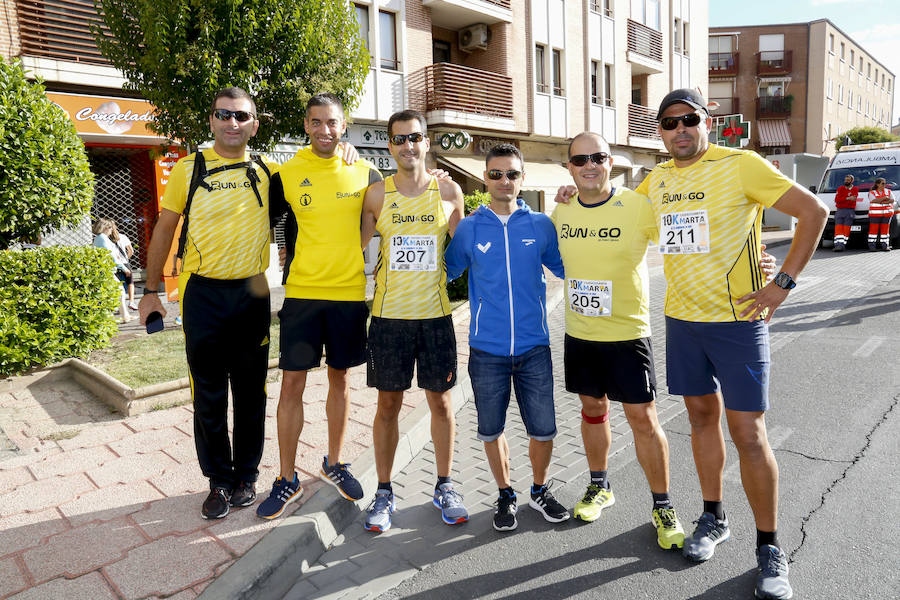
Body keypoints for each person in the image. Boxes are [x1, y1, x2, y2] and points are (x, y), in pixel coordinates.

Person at [635, 88, 826, 600]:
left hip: (738, 323)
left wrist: (780, 283)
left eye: (689, 120)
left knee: (748, 433)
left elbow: (812, 213)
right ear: (660, 131)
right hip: (681, 321)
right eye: (669, 123)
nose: (680, 130)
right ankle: (713, 517)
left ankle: (769, 546)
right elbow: (616, 221)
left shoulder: (741, 164)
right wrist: (568, 195)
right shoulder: (655, 181)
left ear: (707, 123)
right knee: (699, 418)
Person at [138, 87, 278, 520]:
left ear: (254, 124)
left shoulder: (271, 170)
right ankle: (218, 480)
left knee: (251, 392)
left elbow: (318, 194)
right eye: (223, 114)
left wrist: (346, 150)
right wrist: (150, 291)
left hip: (252, 292)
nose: (232, 122)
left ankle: (246, 477)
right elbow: (164, 231)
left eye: (241, 116)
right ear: (211, 120)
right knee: (209, 393)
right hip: (203, 294)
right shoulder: (188, 169)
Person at [551, 132, 685, 550]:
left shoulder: (638, 206)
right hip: (580, 333)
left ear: (612, 162)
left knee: (643, 419)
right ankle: (599, 487)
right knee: (592, 408)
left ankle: (663, 505)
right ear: (569, 167)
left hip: (628, 334)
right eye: (580, 160)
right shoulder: (562, 210)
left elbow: (687, 242)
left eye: (598, 157)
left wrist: (757, 258)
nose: (589, 165)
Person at [257, 93, 382, 519]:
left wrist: (351, 252)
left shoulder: (365, 170)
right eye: (317, 122)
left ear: (343, 125)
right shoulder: (286, 172)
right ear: (306, 125)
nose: (325, 130)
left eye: (333, 123)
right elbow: (268, 221)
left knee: (340, 379)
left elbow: (382, 215)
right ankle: (287, 478)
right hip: (303, 295)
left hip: (348, 294)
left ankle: (334, 461)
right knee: (291, 384)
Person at [445, 143, 569, 532]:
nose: (504, 181)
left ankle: (538, 489)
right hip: (487, 349)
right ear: (485, 178)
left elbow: (571, 267)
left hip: (534, 347)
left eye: (511, 174)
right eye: (495, 174)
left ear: (522, 179)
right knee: (491, 428)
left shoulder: (540, 226)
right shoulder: (469, 228)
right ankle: (505, 494)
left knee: (543, 428)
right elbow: (443, 273)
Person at [357, 109, 467, 532]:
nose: (408, 146)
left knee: (441, 403)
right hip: (388, 319)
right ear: (390, 145)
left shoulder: (449, 192)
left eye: (415, 138)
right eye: (400, 139)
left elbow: (464, 252)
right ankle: (384, 491)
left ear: (426, 142)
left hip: (436, 317)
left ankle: (445, 484)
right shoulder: (376, 195)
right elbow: (353, 250)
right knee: (388, 405)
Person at [93, 217, 132, 323]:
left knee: (116, 292)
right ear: (105, 228)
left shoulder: (101, 238)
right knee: (119, 292)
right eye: (110, 227)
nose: (112, 229)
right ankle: (121, 316)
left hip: (106, 269)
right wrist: (124, 268)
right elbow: (111, 256)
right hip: (106, 270)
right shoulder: (102, 238)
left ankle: (124, 315)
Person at [111, 221, 138, 310]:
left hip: (114, 264)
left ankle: (118, 305)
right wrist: (126, 259)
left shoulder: (107, 239)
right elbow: (131, 251)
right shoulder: (123, 237)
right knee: (130, 283)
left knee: (116, 285)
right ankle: (131, 302)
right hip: (125, 263)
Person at [866, 177, 894, 251]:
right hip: (875, 215)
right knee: (873, 231)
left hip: (887, 214)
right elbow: (873, 200)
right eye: (882, 183)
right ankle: (872, 247)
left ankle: (885, 246)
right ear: (877, 184)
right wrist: (884, 198)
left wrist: (882, 201)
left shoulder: (889, 191)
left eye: (885, 183)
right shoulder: (872, 192)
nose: (884, 185)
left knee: (885, 231)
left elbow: (892, 200)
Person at [833, 174, 858, 252]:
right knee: (838, 228)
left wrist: (843, 199)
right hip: (840, 210)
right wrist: (847, 198)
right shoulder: (840, 188)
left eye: (848, 180)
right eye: (845, 180)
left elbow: (853, 200)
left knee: (846, 229)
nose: (846, 181)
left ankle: (841, 245)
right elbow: (837, 200)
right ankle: (838, 245)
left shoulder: (855, 189)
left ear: (852, 181)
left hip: (849, 211)